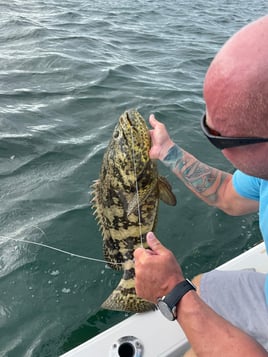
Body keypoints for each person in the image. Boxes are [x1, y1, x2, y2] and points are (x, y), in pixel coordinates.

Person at [134, 15, 268, 356]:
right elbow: (227, 194)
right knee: (203, 288)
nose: (215, 142)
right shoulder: (264, 168)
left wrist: (171, 290)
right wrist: (167, 151)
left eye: (218, 138)